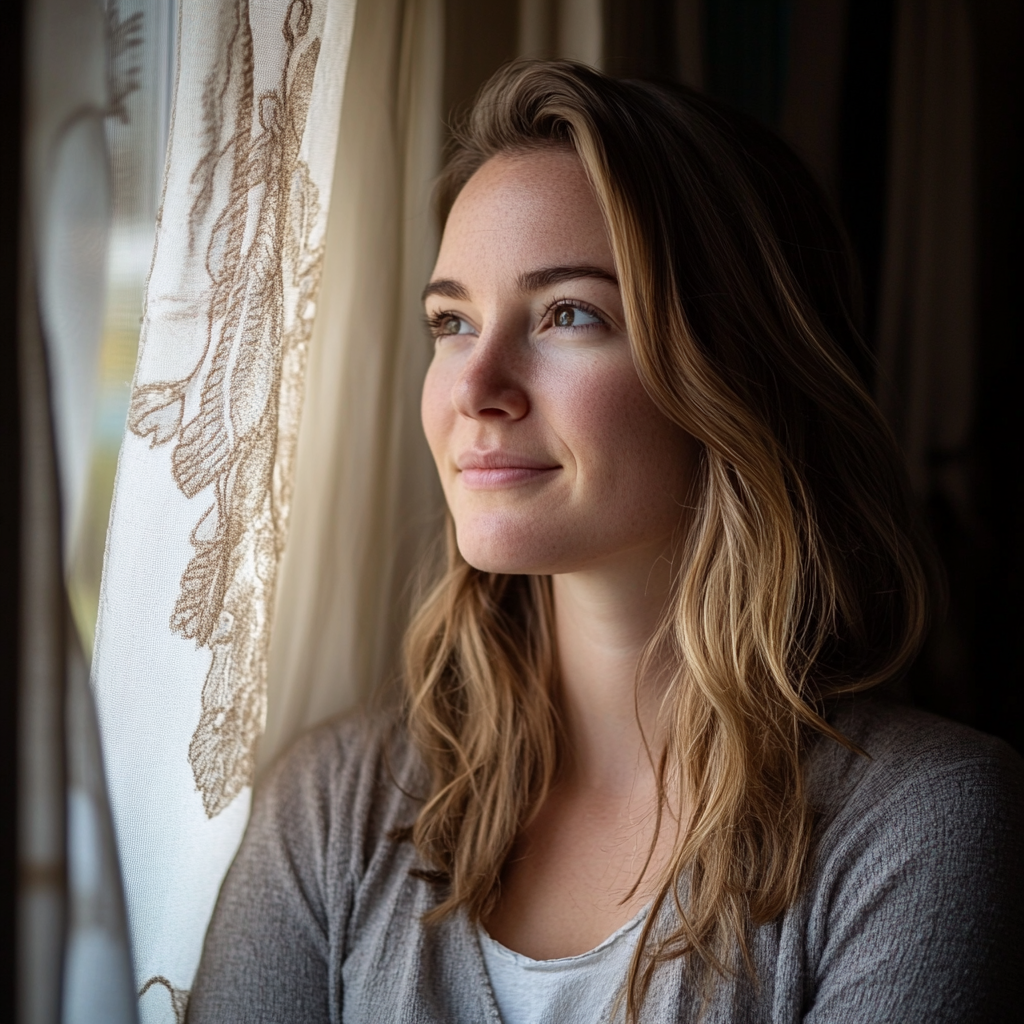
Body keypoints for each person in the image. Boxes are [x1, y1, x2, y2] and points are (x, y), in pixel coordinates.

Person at [186, 60, 1023, 1023]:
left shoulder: (923, 823)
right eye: (451, 321)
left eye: (569, 314)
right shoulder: (335, 809)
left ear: (736, 370)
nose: (475, 386)